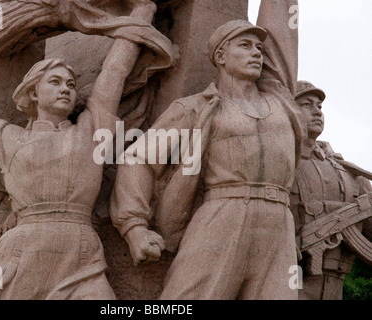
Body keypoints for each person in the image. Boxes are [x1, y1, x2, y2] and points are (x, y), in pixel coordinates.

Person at [0, 1, 158, 300]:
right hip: (20, 254)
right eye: (55, 82)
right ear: (33, 92)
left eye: (71, 85)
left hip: (81, 254)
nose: (66, 89)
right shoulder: (10, 139)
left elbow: (114, 71)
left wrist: (142, 11)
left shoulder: (91, 131)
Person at [110, 0, 305, 299]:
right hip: (222, 215)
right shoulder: (194, 108)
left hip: (279, 223)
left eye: (259, 49)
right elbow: (139, 159)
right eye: (245, 45)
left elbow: (281, 38)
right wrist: (134, 226)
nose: (256, 53)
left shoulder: (282, 103)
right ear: (221, 55)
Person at [291, 80, 372, 300]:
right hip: (291, 274)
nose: (317, 111)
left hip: (336, 281)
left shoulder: (346, 172)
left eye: (319, 106)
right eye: (306, 104)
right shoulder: (283, 162)